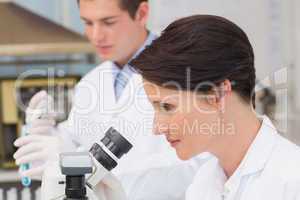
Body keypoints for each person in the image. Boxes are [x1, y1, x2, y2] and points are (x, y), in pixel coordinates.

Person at [13, 0, 203, 199]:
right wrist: (45, 131)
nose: (96, 36)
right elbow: (75, 142)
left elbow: (193, 166)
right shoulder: (90, 83)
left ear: (142, 13)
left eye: (109, 22)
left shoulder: (183, 72)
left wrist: (79, 163)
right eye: (88, 23)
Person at [130, 15, 300, 199]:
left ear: (217, 95)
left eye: (168, 106)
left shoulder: (292, 181)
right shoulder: (204, 183)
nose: (158, 128)